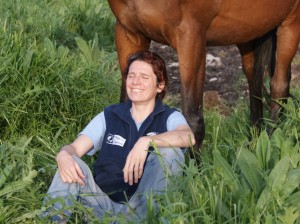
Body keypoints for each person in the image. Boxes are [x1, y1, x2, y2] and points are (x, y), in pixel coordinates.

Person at [41, 50, 195, 223]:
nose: (136, 82)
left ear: (160, 85)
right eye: (131, 76)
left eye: (144, 77)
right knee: (70, 162)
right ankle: (50, 220)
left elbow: (188, 136)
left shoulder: (169, 116)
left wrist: (147, 142)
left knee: (170, 153)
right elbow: (75, 148)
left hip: (143, 210)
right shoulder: (110, 115)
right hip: (100, 207)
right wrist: (63, 154)